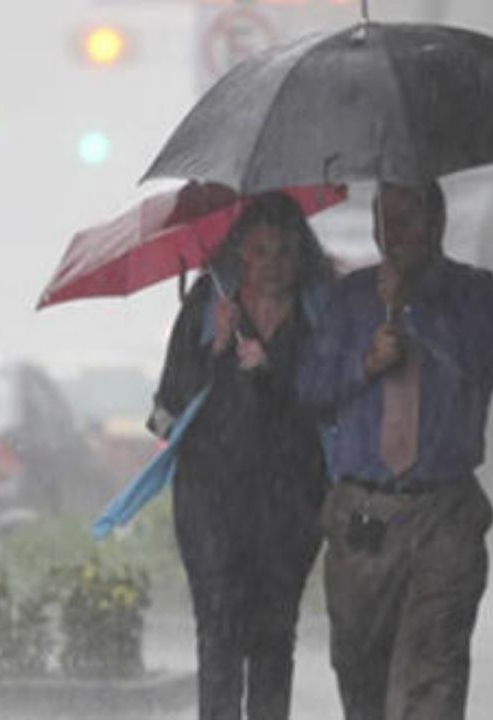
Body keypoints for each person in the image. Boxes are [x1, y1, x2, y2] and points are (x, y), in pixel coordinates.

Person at [297, 181, 493, 720]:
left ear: (437, 225)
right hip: (363, 515)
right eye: (386, 221)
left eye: (410, 220)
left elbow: (477, 360)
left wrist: (414, 309)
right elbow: (311, 389)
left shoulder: (476, 293)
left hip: (442, 509)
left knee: (432, 668)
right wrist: (363, 364)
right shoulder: (349, 299)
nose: (397, 235)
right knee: (361, 670)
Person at [149, 191, 333, 720]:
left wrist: (272, 367)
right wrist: (216, 348)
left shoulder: (323, 311)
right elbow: (166, 410)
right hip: (212, 498)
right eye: (259, 251)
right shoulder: (208, 306)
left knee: (276, 631)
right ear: (239, 254)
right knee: (219, 627)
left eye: (283, 251)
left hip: (292, 499)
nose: (271, 265)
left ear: (301, 255)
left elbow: (333, 393)